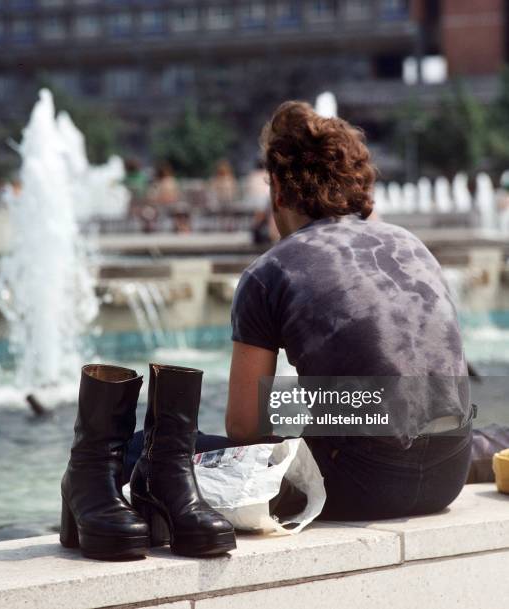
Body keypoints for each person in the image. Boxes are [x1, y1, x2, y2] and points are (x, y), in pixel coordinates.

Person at [127, 100, 473, 521]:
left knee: (145, 445)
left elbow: (245, 428)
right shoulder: (411, 245)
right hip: (448, 477)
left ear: (277, 188)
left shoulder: (269, 271)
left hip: (361, 487)